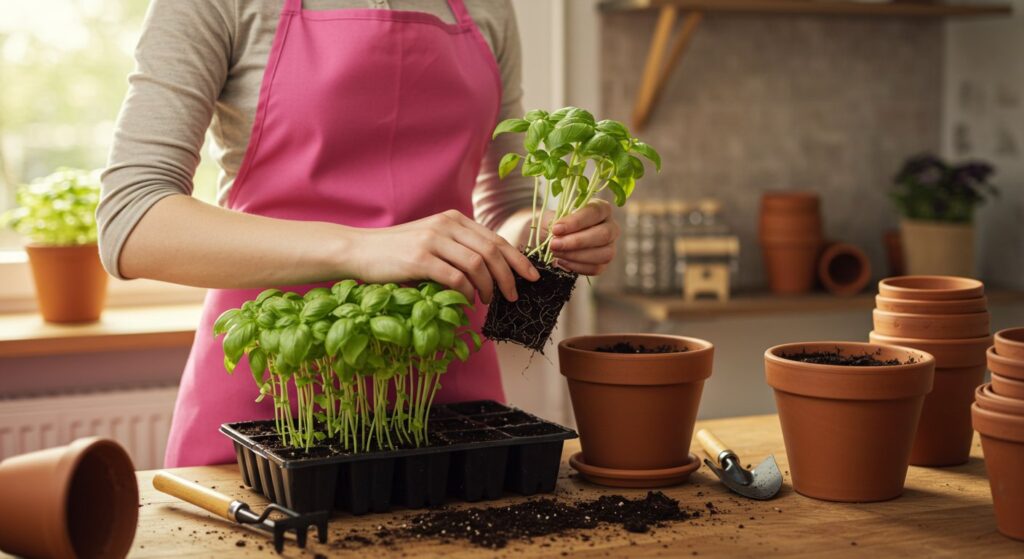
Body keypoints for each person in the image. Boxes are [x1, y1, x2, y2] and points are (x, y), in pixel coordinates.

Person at [98, 0, 619, 467]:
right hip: (273, 389)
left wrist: (539, 233)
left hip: (447, 387)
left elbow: (502, 203)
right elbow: (133, 219)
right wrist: (362, 248)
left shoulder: (488, 8)